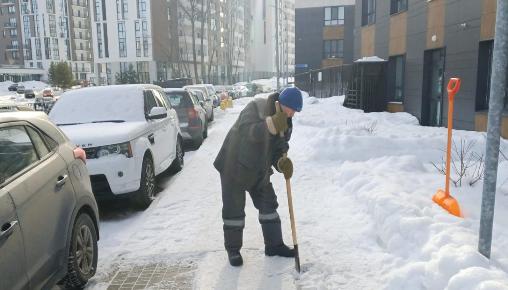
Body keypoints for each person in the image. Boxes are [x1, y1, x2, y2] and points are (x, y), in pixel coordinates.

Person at [213, 87, 303, 266]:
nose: (292, 114)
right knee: (234, 211)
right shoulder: (256, 107)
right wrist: (272, 124)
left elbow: (279, 148)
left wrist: (281, 163)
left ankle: (274, 245)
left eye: (295, 111)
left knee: (268, 204)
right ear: (280, 103)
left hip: (258, 170)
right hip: (234, 165)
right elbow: (248, 132)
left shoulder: (287, 123)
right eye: (290, 109)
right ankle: (233, 251)